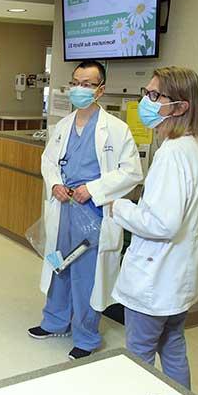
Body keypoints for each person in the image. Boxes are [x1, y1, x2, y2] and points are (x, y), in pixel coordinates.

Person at [29, 60, 143, 360]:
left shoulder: (116, 130)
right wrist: (54, 183)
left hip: (94, 213)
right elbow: (48, 160)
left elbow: (131, 172)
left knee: (86, 276)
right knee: (59, 265)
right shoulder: (63, 126)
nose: (79, 88)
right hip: (64, 207)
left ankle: (86, 336)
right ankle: (54, 321)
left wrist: (92, 189)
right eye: (76, 82)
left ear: (100, 90)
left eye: (88, 84)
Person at [110, 67, 198, 389]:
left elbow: (163, 224)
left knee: (138, 355)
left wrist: (121, 208)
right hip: (178, 279)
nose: (146, 101)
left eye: (155, 96)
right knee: (172, 347)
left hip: (155, 281)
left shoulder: (172, 153)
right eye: (146, 92)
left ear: (181, 107)